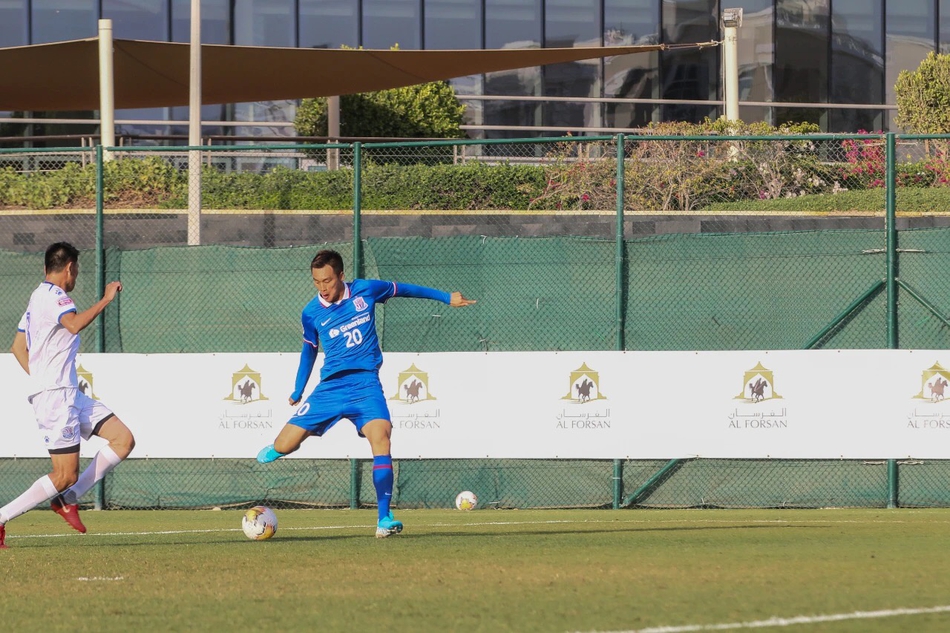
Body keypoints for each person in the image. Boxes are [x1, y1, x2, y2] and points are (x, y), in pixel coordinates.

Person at [257, 249, 475, 538]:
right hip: (330, 388)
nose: (322, 287)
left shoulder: (366, 290)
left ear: (341, 276)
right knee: (284, 445)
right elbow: (309, 349)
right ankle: (281, 446)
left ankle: (384, 519)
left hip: (365, 385)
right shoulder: (311, 312)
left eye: (327, 281)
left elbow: (404, 289)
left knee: (381, 436)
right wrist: (299, 388)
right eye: (316, 282)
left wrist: (446, 297)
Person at [0, 242, 135, 549]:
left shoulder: (35, 299)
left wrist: (42, 378)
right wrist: (105, 300)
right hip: (56, 397)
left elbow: (17, 349)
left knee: (123, 439)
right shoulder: (56, 297)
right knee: (64, 474)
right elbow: (73, 325)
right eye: (77, 270)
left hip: (67, 392)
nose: (76, 276)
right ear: (70, 267)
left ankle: (68, 500)